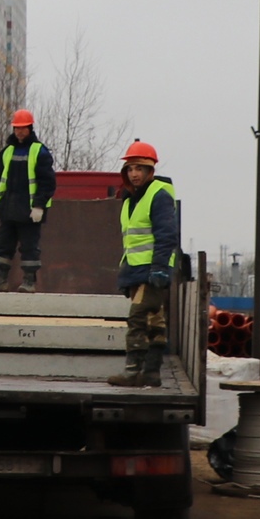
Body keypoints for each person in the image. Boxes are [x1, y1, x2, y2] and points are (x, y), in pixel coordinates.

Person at [107, 142, 179, 389]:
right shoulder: (131, 200)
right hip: (138, 269)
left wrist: (159, 268)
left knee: (137, 319)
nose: (134, 173)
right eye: (130, 168)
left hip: (151, 271)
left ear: (151, 170)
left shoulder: (158, 195)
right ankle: (151, 373)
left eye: (140, 168)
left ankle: (133, 373)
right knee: (153, 321)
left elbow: (167, 234)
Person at [0, 109, 56, 292]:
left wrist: (39, 205)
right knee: (3, 245)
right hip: (9, 208)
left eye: (23, 128)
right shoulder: (7, 152)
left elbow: (47, 182)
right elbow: (0, 181)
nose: (19, 132)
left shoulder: (39, 151)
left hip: (29, 210)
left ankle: (29, 282)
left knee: (30, 247)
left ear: (30, 128)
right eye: (17, 128)